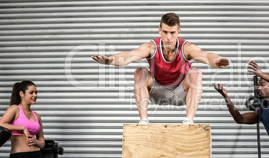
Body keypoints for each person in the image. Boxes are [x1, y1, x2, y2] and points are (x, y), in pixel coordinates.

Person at [92, 13, 230, 124]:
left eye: (172, 33)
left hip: (180, 93)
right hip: (157, 91)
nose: (168, 37)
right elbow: (129, 56)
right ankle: (144, 120)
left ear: (178, 32)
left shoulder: (186, 48)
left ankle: (189, 121)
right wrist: (110, 60)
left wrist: (217, 61)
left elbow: (205, 55)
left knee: (196, 73)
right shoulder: (151, 47)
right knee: (140, 72)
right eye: (165, 32)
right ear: (159, 30)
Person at [0, 81, 45, 158]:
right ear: (21, 93)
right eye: (31, 92)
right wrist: (22, 127)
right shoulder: (15, 109)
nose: (35, 95)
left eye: (36, 92)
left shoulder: (37, 116)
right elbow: (2, 124)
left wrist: (36, 142)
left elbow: (42, 141)